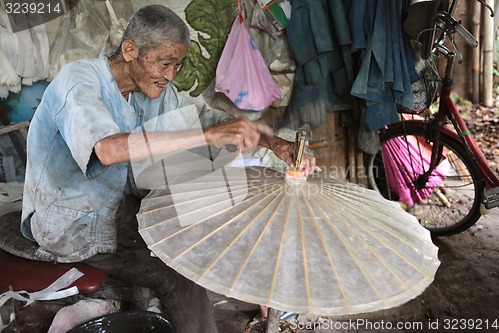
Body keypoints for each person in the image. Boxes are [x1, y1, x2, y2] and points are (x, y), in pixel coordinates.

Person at [20, 4, 320, 333]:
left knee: (204, 223)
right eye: (165, 64)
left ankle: (145, 305)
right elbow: (107, 149)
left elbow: (208, 119)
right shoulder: (79, 82)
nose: (170, 75)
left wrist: (275, 144)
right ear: (130, 49)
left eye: (177, 65)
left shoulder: (151, 92)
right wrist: (207, 135)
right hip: (71, 221)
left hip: (118, 208)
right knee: (179, 274)